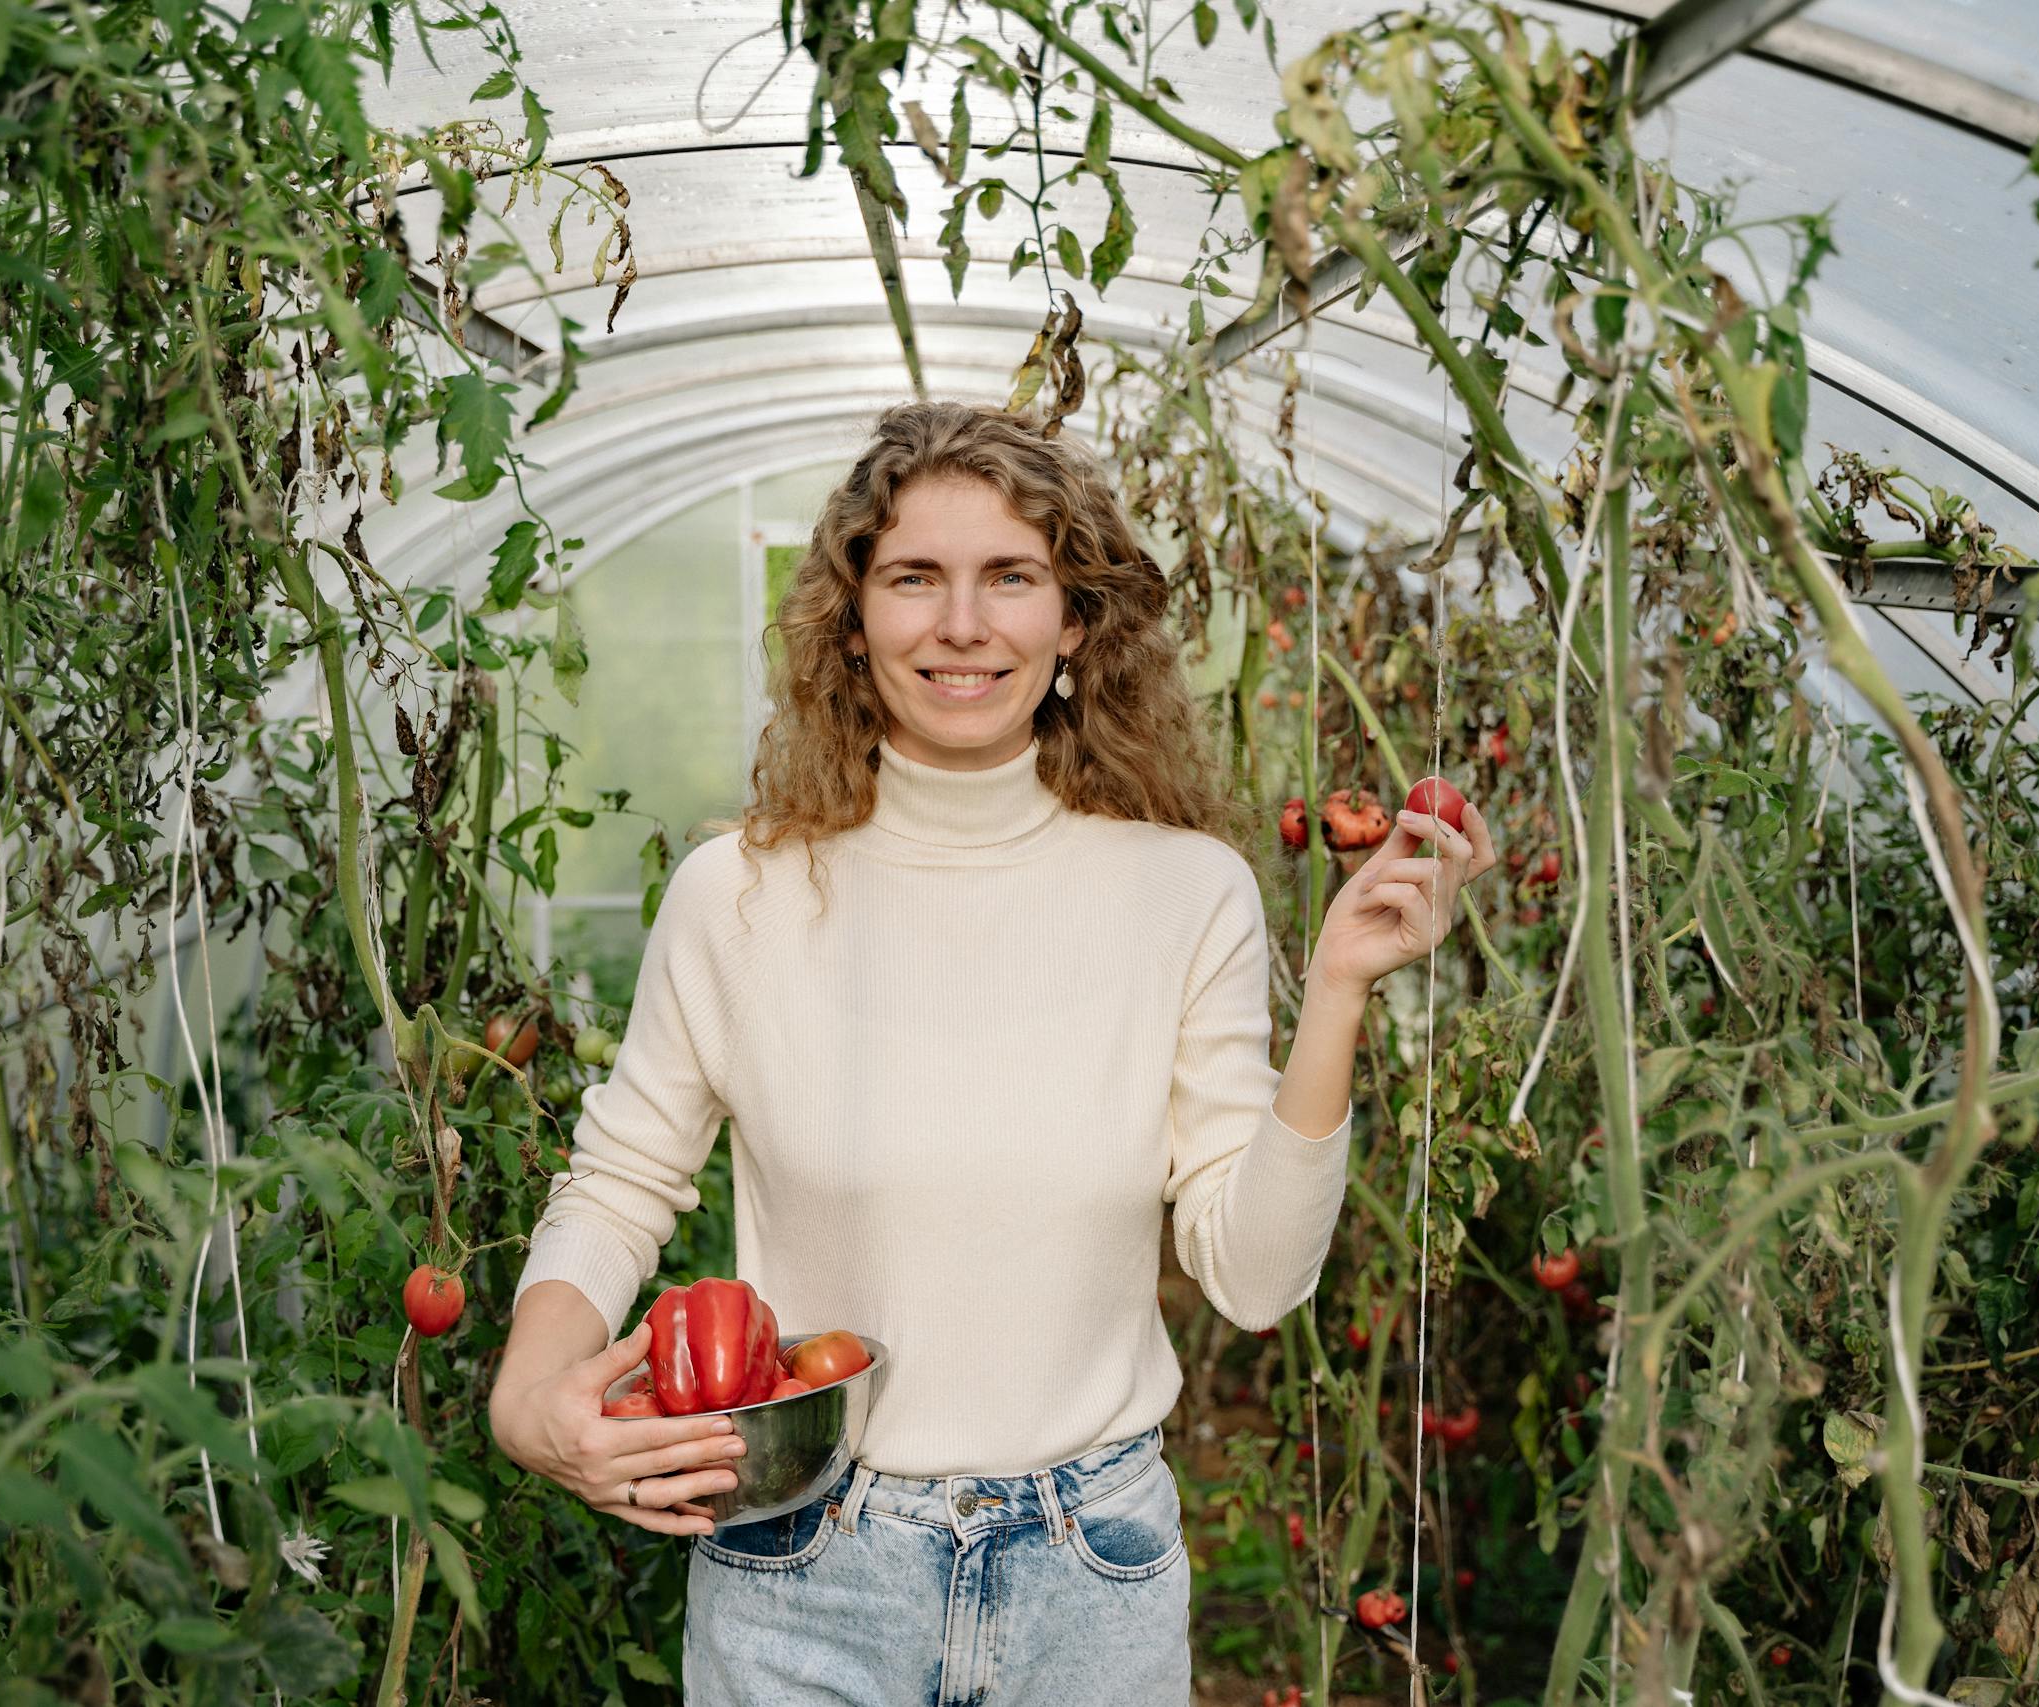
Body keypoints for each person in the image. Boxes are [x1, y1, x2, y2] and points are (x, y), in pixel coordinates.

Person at [486, 400, 1495, 1704]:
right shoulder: (737, 893)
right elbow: (622, 1184)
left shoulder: (1187, 892)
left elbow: (1253, 1277)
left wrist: (1343, 991)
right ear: (855, 620)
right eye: (915, 578)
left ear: (1074, 621)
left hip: (1092, 1576)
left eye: (1010, 577)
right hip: (804, 1558)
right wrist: (526, 1399)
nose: (962, 625)